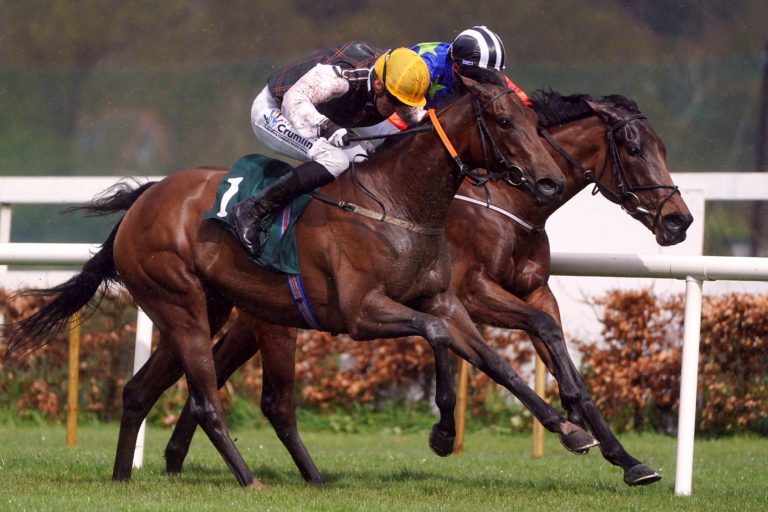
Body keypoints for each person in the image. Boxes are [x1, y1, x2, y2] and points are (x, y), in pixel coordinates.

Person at [232, 42, 430, 256]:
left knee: (368, 161)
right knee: (335, 160)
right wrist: (327, 128)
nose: (398, 109)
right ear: (378, 84)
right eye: (394, 102)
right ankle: (252, 211)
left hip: (316, 114)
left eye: (403, 103)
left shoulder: (396, 85)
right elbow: (294, 101)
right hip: (277, 109)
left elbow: (416, 123)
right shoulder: (342, 76)